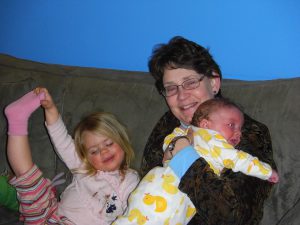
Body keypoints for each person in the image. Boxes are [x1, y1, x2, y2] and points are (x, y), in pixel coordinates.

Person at [141, 36, 277, 225]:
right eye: (171, 88)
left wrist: (184, 156)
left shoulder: (247, 133)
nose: (181, 96)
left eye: (190, 83)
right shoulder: (168, 122)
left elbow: (233, 217)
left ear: (214, 83)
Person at [113, 98, 278, 225]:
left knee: (130, 219)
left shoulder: (185, 131)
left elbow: (170, 144)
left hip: (153, 186)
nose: (238, 133)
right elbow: (241, 160)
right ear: (206, 124)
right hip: (171, 198)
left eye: (240, 129)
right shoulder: (216, 141)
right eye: (231, 125)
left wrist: (179, 149)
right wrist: (266, 171)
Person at [4, 88, 139, 225]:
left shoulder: (131, 181)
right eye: (94, 151)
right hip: (50, 217)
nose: (103, 152)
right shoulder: (85, 166)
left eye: (109, 144)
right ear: (87, 157)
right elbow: (62, 140)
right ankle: (17, 120)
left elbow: (136, 213)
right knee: (31, 184)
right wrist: (50, 109)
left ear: (122, 140)